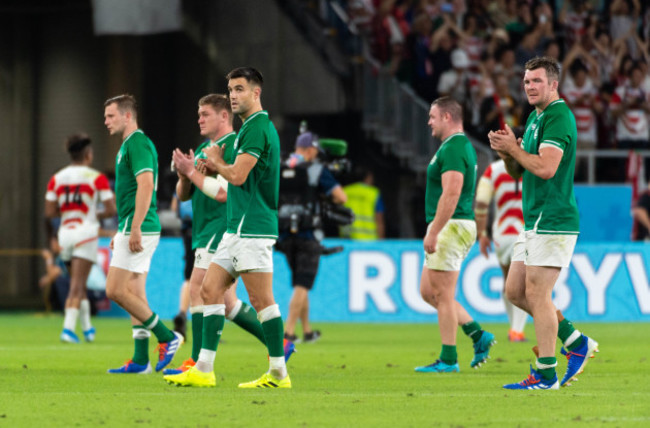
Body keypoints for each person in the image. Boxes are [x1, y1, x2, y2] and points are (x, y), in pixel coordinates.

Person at [164, 67, 290, 388]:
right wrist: (202, 168)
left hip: (253, 227)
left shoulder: (257, 128)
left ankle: (279, 372)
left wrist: (214, 163)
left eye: (239, 89)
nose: (233, 95)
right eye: (230, 89)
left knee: (262, 301)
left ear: (255, 93)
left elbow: (235, 177)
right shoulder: (249, 129)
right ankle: (204, 369)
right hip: (235, 229)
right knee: (208, 289)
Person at [488, 56, 599, 390]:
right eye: (526, 82)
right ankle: (577, 343)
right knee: (515, 291)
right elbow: (518, 172)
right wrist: (509, 153)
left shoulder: (559, 117)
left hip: (554, 219)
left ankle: (546, 373)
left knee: (537, 292)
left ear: (553, 84)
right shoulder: (536, 118)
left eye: (536, 81)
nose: (530, 87)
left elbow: (547, 168)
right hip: (534, 219)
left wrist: (515, 150)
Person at [414, 97, 496, 374]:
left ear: (448, 117)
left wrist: (434, 231)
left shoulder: (453, 148)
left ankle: (449, 359)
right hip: (454, 224)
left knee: (443, 295)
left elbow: (452, 192)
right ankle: (477, 334)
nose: (429, 122)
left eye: (433, 116)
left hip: (452, 224)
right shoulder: (457, 147)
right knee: (429, 291)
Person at [103, 94, 183, 374]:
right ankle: (140, 360)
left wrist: (134, 226)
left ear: (127, 116)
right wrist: (123, 226)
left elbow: (146, 185)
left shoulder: (137, 143)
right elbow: (130, 192)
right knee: (135, 292)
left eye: (110, 116)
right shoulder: (129, 145)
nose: (106, 121)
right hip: (134, 224)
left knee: (114, 290)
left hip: (141, 226)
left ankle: (167, 336)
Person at [45, 133, 116, 343]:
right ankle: (67, 329)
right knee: (76, 285)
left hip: (65, 234)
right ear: (88, 154)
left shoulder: (56, 178)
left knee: (79, 282)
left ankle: (87, 329)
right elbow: (111, 209)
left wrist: (68, 213)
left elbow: (49, 212)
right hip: (85, 234)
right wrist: (93, 213)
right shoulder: (97, 178)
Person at [277, 131, 347, 343]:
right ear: (310, 150)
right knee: (303, 284)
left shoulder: (281, 168)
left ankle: (306, 331)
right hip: (309, 234)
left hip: (284, 235)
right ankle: (288, 333)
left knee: (300, 283)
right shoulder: (316, 169)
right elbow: (341, 197)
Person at [474, 159, 528, 342]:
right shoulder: (532, 164)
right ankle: (516, 330)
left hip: (501, 233)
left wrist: (482, 233)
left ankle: (513, 326)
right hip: (524, 230)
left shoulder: (493, 170)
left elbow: (481, 203)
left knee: (508, 280)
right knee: (522, 284)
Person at [170, 196, 194, 340]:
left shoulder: (187, 176)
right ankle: (204, 325)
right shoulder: (210, 177)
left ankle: (182, 313)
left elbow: (174, 207)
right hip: (208, 231)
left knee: (189, 277)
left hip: (189, 232)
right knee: (208, 278)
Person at [340, 166, 385, 240]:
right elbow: (379, 220)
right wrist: (381, 243)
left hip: (347, 239)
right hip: (369, 240)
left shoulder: (344, 192)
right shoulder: (373, 193)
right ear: (368, 178)